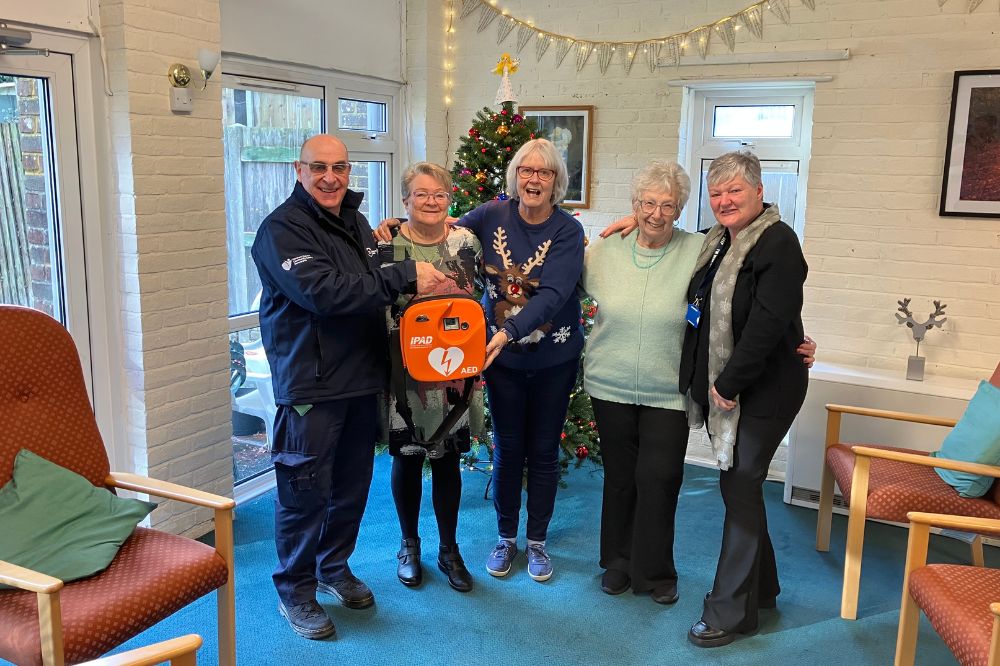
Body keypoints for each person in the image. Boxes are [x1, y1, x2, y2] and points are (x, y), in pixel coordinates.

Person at [583, 161, 816, 607]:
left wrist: (796, 339)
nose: (656, 213)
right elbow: (559, 291)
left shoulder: (702, 248)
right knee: (619, 479)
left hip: (670, 387)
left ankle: (655, 572)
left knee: (661, 478)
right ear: (633, 205)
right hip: (608, 383)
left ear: (681, 209)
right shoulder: (603, 251)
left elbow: (760, 301)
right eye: (647, 203)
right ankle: (617, 563)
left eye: (667, 205)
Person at [251, 135, 445, 640]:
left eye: (339, 167)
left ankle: (332, 567)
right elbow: (323, 292)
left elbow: (373, 274)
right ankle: (295, 590)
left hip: (361, 380)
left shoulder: (355, 222)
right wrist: (406, 274)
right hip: (311, 386)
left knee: (351, 489)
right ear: (299, 170)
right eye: (318, 167)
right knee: (303, 493)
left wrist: (397, 248)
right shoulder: (281, 230)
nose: (330, 177)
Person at [376, 138, 585, 582]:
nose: (534, 179)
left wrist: (507, 331)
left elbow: (554, 293)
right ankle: (504, 539)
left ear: (555, 182)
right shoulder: (487, 217)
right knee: (506, 450)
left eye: (544, 173)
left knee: (542, 452)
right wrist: (396, 222)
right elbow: (441, 222)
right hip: (483, 364)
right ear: (514, 177)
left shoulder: (566, 230)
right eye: (526, 170)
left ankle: (537, 544)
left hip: (547, 357)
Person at [679, 151, 809, 648]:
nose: (724, 200)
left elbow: (767, 324)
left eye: (735, 190)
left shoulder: (778, 242)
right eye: (716, 193)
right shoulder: (716, 243)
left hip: (764, 389)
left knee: (740, 487)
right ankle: (764, 590)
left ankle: (730, 613)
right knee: (742, 488)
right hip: (723, 385)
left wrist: (727, 385)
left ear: (759, 191)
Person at [380, 162, 484, 593]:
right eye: (421, 194)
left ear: (449, 198)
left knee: (448, 460)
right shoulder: (384, 246)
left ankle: (448, 549)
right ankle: (409, 546)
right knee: (407, 458)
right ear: (405, 201)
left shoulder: (467, 242)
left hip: (454, 373)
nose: (431, 202)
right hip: (404, 375)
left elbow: (479, 296)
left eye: (439, 194)